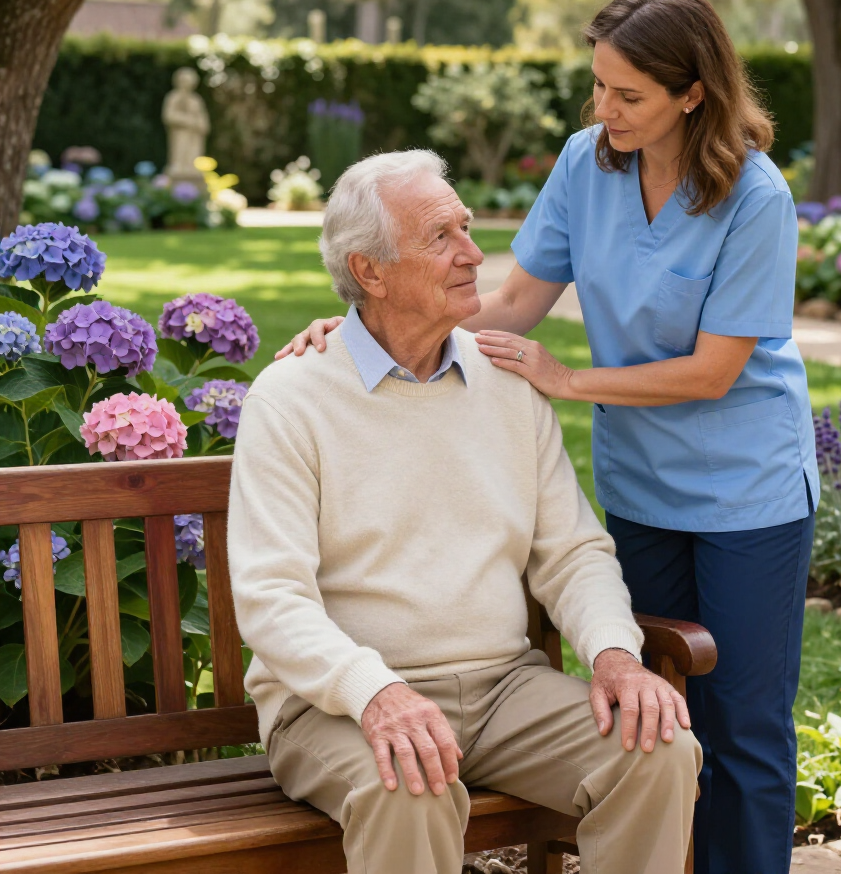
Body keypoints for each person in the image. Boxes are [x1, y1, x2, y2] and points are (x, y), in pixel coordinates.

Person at [280, 0, 820, 874]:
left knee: (743, 727)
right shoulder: (587, 162)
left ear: (694, 93)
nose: (605, 109)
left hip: (745, 485)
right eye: (599, 86)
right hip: (642, 479)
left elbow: (718, 368)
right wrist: (369, 325)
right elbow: (519, 298)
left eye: (630, 96)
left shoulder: (755, 198)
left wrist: (568, 381)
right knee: (662, 715)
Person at [229, 149, 702, 874]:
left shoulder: (507, 383)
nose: (474, 254)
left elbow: (573, 553)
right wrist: (378, 693)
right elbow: (271, 598)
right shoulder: (291, 399)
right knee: (406, 785)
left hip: (504, 688)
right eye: (440, 238)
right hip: (340, 706)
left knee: (658, 748)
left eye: (467, 228)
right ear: (370, 271)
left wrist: (613, 652)